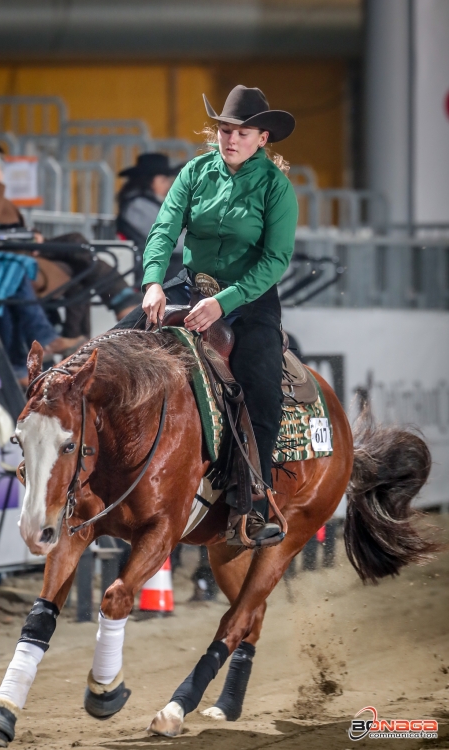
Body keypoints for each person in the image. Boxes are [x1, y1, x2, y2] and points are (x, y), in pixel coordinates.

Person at [116, 85, 298, 544]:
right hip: (188, 283)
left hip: (249, 300)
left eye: (241, 132)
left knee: (260, 383)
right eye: (224, 130)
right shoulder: (196, 171)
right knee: (113, 347)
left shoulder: (276, 188)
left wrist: (224, 302)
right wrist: (153, 281)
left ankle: (254, 501)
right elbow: (163, 228)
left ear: (262, 138)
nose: (230, 138)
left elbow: (275, 261)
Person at [0, 125, 143, 336]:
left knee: (77, 249)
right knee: (77, 265)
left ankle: (80, 337)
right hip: (0, 254)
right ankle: (112, 309)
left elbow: (6, 219)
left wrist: (30, 232)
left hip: (20, 245)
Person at [117, 153, 185, 286]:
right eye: (163, 180)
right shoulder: (138, 206)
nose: (168, 184)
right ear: (150, 181)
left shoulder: (145, 203)